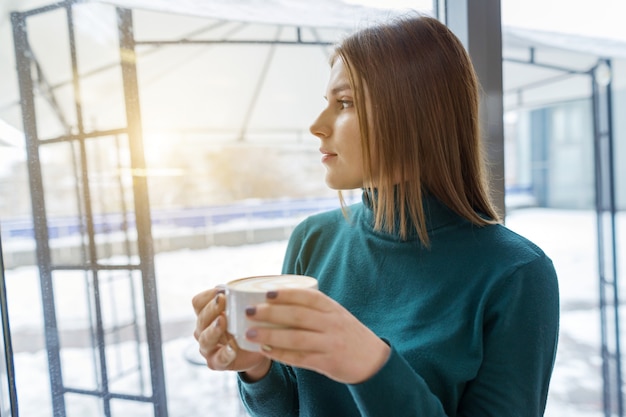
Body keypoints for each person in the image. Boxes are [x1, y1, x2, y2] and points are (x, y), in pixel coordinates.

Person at [192, 13, 559, 417]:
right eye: (326, 103)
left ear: (417, 115)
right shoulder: (312, 240)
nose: (316, 126)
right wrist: (257, 371)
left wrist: (369, 364)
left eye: (344, 103)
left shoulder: (517, 274)